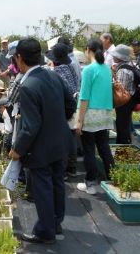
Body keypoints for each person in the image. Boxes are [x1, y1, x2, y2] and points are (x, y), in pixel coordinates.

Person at [9, 38, 76, 244]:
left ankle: (45, 231)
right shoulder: (52, 75)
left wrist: (17, 150)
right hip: (61, 141)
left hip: (41, 147)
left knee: (43, 188)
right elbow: (70, 103)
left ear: (19, 58)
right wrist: (55, 122)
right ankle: (55, 223)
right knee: (57, 183)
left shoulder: (28, 85)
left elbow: (30, 127)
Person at [76, 38, 115, 195]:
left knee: (89, 150)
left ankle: (90, 184)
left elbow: (84, 97)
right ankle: (113, 179)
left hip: (91, 115)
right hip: (106, 114)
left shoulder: (88, 70)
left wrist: (79, 121)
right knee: (104, 148)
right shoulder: (107, 68)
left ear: (87, 50)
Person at [45, 43, 79, 178]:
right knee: (71, 140)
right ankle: (72, 168)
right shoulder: (70, 68)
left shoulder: (56, 73)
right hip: (72, 107)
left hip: (63, 110)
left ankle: (63, 172)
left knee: (62, 142)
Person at [111, 44, 135, 144]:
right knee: (124, 124)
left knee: (122, 127)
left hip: (124, 102)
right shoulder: (129, 65)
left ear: (120, 57)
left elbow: (120, 90)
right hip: (128, 101)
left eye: (115, 55)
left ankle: (122, 149)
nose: (113, 56)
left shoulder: (123, 70)